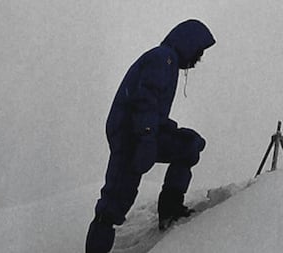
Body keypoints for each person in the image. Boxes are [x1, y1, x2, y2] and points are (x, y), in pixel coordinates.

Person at [85, 19, 215, 253]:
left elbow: (152, 111)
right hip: (130, 137)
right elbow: (144, 100)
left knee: (188, 145)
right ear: (188, 43)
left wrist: (171, 131)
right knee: (115, 201)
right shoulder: (162, 58)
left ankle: (170, 209)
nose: (198, 59)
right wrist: (146, 137)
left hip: (143, 133)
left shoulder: (169, 62)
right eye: (198, 52)